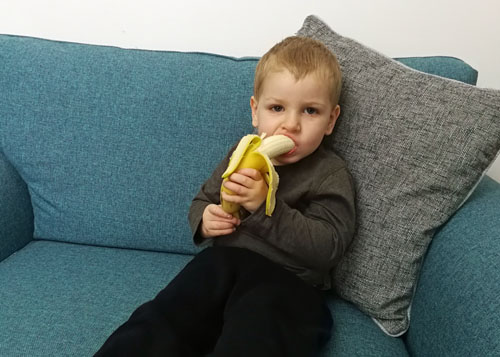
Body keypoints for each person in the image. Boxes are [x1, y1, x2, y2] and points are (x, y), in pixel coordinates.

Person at [95, 36, 356, 357]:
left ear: (331, 120)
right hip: (222, 264)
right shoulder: (242, 152)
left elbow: (327, 248)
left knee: (260, 332)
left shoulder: (330, 173)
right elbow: (203, 201)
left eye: (310, 111)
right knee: (165, 318)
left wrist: (263, 208)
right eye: (277, 108)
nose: (291, 125)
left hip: (289, 282)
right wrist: (206, 221)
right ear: (255, 111)